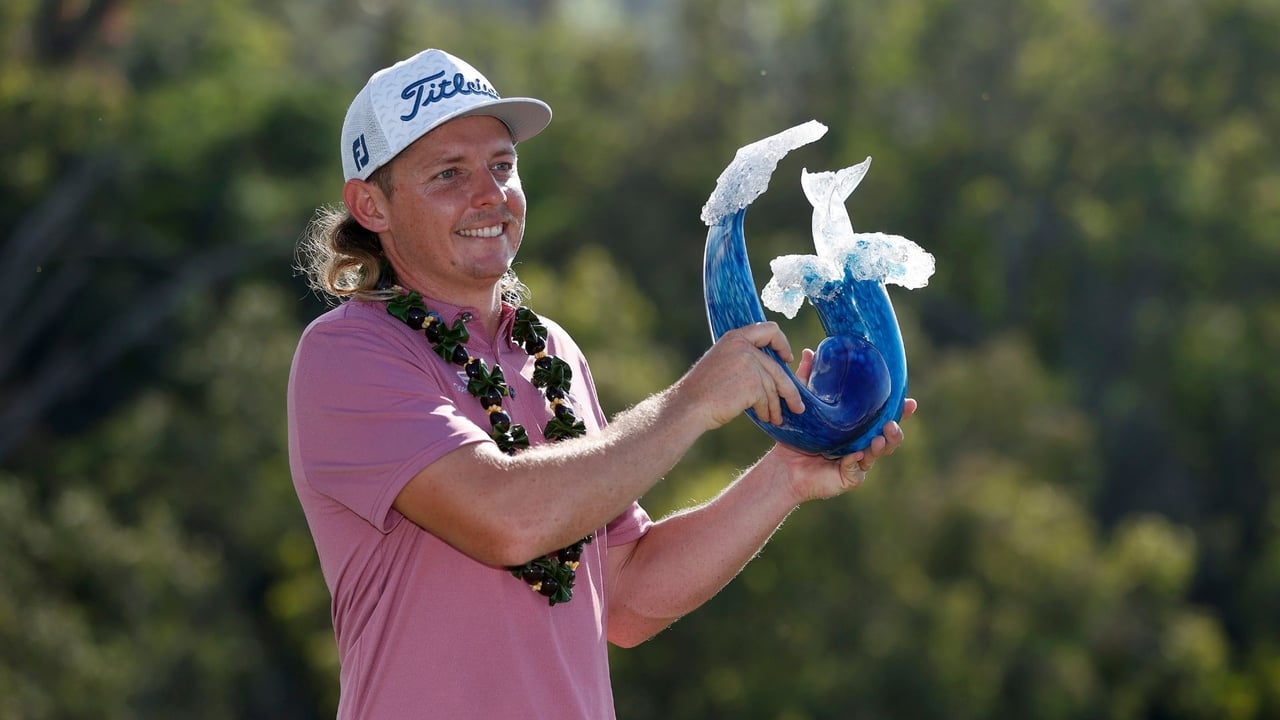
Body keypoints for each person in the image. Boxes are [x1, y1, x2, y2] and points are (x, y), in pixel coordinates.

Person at [287, 48, 916, 720]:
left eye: (503, 166)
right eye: (449, 174)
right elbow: (508, 520)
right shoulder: (348, 353)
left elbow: (628, 599)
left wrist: (787, 473)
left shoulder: (550, 351)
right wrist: (693, 402)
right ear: (370, 206)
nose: (489, 195)